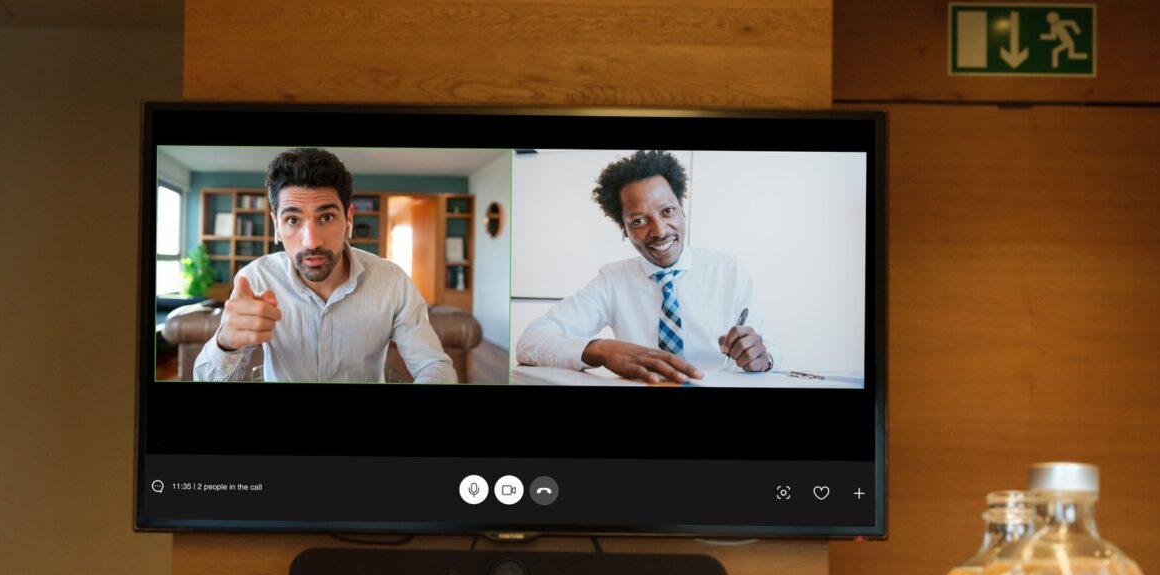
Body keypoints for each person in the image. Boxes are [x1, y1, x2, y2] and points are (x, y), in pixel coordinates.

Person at [191, 147, 455, 383]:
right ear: (276, 226)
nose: (312, 241)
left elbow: (434, 366)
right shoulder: (256, 279)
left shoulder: (392, 281)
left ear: (348, 218)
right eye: (293, 220)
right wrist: (227, 342)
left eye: (326, 217)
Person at [515, 150, 773, 384]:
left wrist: (763, 358)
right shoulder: (612, 280)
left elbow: (772, 351)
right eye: (639, 221)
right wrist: (601, 349)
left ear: (681, 209)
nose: (659, 231)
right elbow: (530, 341)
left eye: (668, 211)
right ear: (623, 229)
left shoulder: (729, 270)